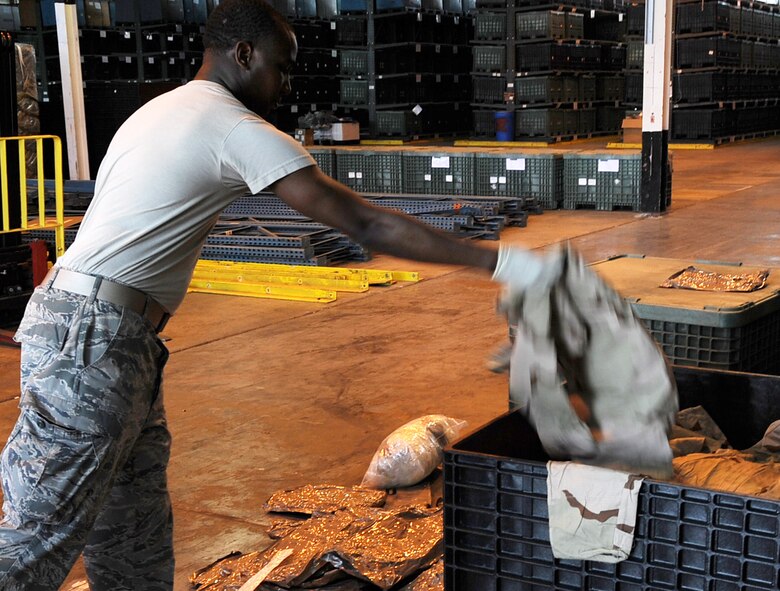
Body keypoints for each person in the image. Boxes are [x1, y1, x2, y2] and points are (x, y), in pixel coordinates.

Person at [0, 1, 544, 588]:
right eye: (281, 69)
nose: (284, 86)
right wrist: (503, 261)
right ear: (243, 55)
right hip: (96, 340)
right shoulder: (232, 125)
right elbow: (365, 224)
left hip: (107, 335)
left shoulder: (159, 110)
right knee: (35, 541)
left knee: (133, 538)